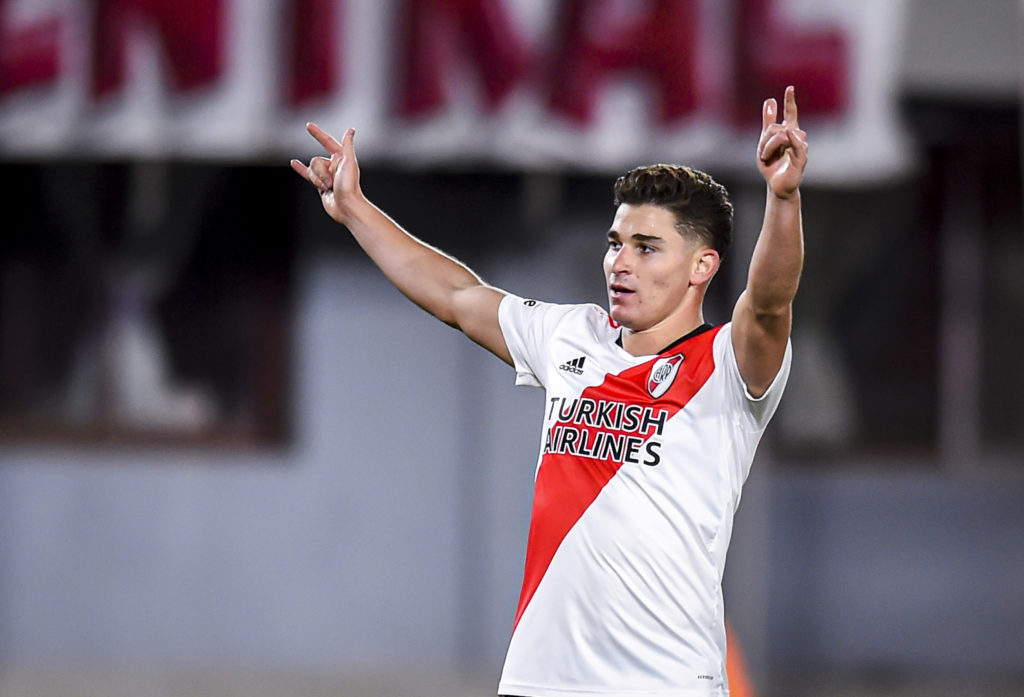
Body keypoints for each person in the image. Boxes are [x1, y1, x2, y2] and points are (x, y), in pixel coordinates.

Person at [291, 86, 807, 697]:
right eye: (616, 242)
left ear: (702, 266)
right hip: (541, 681)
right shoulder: (572, 336)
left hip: (663, 683)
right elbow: (458, 297)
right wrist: (353, 208)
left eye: (647, 248)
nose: (621, 262)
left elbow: (771, 304)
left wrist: (782, 198)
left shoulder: (727, 365)